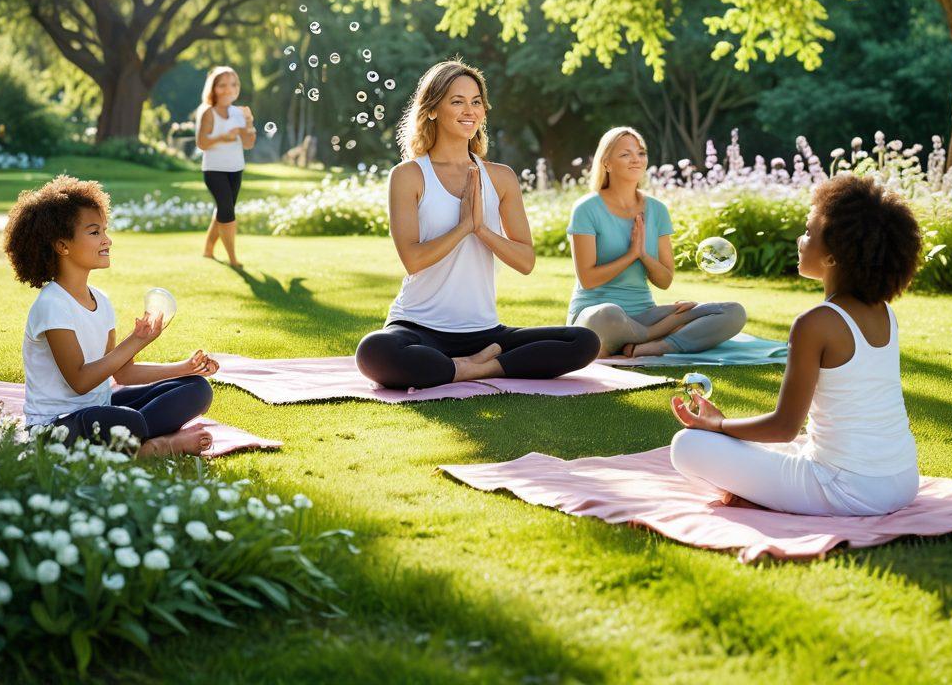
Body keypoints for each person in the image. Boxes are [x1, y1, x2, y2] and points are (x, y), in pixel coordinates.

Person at [670, 174, 922, 516]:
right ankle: (768, 490)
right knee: (799, 446)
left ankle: (764, 498)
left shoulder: (814, 324)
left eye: (808, 232)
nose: (801, 241)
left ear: (833, 256)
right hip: (903, 481)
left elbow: (784, 428)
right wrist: (730, 430)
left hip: (848, 491)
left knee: (687, 445)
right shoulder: (884, 313)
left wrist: (717, 426)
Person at [356, 61, 600, 390]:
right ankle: (482, 366)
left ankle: (471, 368)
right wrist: (464, 226)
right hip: (418, 327)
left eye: (476, 102)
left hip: (485, 334)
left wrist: (482, 230)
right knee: (375, 351)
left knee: (583, 341)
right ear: (432, 110)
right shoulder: (409, 175)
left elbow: (525, 261)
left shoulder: (501, 177)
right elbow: (413, 259)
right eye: (457, 101)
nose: (469, 110)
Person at [2, 176, 220, 457]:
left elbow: (123, 372)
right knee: (124, 421)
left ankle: (133, 442)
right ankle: (156, 447)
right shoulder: (52, 304)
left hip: (103, 410)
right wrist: (137, 340)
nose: (108, 240)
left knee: (196, 390)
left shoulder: (101, 301)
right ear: (62, 246)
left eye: (105, 230)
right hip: (58, 428)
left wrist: (185, 367)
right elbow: (79, 381)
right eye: (95, 233)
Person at [567, 127, 746, 357]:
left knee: (732, 312)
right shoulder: (586, 209)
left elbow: (664, 280)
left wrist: (643, 255)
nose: (636, 159)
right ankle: (660, 332)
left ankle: (659, 345)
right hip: (596, 316)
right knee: (609, 315)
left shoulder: (657, 210)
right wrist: (631, 255)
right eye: (625, 154)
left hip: (644, 312)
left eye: (640, 153)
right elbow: (588, 279)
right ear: (606, 163)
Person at [195, 65, 256, 267]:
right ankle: (232, 259)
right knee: (227, 212)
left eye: (233, 84)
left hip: (236, 169)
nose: (228, 89)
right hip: (214, 170)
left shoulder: (239, 113)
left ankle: (208, 250)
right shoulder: (208, 113)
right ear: (213, 88)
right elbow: (202, 143)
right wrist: (223, 136)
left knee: (223, 209)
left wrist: (248, 123)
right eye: (222, 85)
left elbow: (248, 144)